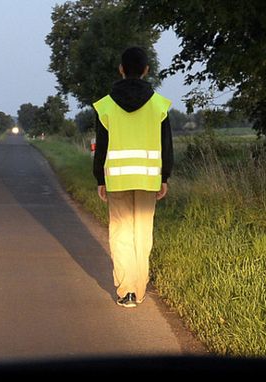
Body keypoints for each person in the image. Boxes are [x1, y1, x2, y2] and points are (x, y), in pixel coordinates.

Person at [93, 46, 173, 308]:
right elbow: (166, 144)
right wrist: (165, 176)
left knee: (121, 234)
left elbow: (101, 147)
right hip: (148, 179)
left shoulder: (105, 105)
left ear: (121, 69)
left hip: (117, 180)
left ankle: (126, 291)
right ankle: (139, 290)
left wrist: (100, 179)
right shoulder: (159, 105)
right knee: (143, 233)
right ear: (147, 70)